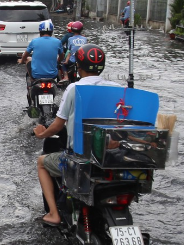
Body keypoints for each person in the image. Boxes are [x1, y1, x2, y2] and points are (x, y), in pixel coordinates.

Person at [32, 45, 119, 227]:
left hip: (81, 157)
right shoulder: (117, 88)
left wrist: (41, 135)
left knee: (42, 162)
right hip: (109, 156)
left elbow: (57, 125)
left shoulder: (74, 88)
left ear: (78, 66)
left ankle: (54, 214)